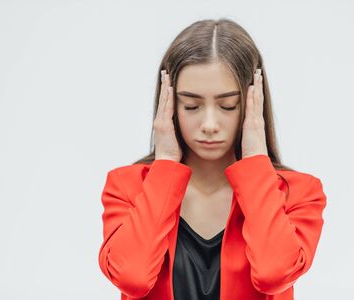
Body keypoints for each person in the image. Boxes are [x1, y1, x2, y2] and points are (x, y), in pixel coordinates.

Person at [98, 18, 327, 300]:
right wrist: (166, 162)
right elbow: (131, 278)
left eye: (227, 106)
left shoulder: (299, 193)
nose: (209, 123)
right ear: (168, 104)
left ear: (253, 102)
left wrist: (256, 158)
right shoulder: (127, 187)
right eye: (191, 106)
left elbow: (274, 273)